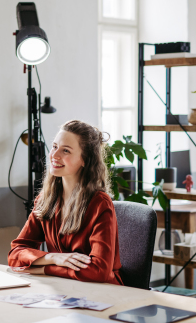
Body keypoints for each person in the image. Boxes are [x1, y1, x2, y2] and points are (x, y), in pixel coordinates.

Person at [8, 120, 123, 285]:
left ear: (85, 160)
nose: (54, 155)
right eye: (54, 147)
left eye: (66, 151)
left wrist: (44, 268)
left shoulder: (99, 204)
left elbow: (98, 272)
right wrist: (53, 257)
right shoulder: (45, 199)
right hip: (64, 288)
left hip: (103, 292)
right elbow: (15, 254)